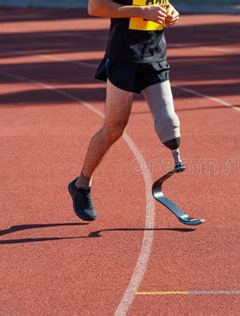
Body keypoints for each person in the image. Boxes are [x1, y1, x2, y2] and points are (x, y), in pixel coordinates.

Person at [68, 0, 184, 221]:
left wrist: (171, 11)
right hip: (125, 56)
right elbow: (95, 7)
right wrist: (142, 12)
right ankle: (81, 185)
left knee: (170, 124)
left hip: (156, 54)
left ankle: (177, 161)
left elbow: (160, 3)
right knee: (115, 128)